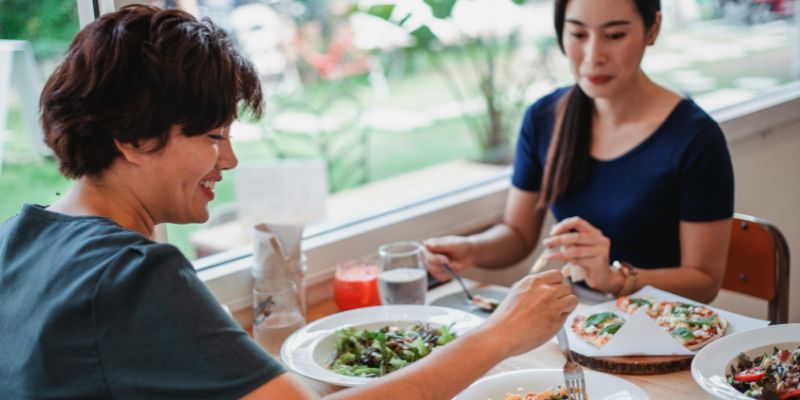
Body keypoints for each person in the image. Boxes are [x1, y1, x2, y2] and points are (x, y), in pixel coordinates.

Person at [0, 6, 577, 399]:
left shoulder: (19, 238)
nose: (228, 161)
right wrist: (498, 335)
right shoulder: (133, 276)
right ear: (132, 138)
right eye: (212, 137)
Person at [425, 0, 734, 304]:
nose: (593, 56)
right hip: (577, 318)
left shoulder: (696, 138)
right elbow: (517, 235)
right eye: (578, 34)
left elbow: (704, 282)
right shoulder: (545, 118)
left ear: (652, 28)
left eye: (614, 35)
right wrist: (470, 249)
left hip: (666, 327)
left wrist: (616, 279)